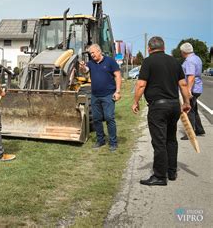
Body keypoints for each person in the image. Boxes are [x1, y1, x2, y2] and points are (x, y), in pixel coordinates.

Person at [132, 36, 191, 186]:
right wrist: (186, 102)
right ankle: (171, 172)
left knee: (159, 142)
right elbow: (183, 85)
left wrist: (136, 101)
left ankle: (159, 176)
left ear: (149, 49)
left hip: (158, 107)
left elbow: (140, 85)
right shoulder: (175, 61)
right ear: (164, 47)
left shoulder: (148, 61)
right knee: (171, 139)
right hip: (173, 106)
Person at [80, 44, 122, 151]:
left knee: (109, 118)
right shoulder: (91, 63)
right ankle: (100, 140)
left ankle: (113, 142)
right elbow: (85, 70)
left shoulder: (110, 61)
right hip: (95, 95)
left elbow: (118, 76)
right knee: (97, 119)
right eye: (91, 53)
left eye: (93, 53)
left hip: (108, 95)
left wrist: (117, 91)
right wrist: (82, 67)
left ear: (99, 51)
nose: (92, 55)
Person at [179, 42, 205, 139]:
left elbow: (191, 77)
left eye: (181, 52)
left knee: (189, 110)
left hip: (192, 89)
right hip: (198, 88)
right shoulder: (196, 58)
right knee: (194, 109)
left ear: (184, 52)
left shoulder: (189, 61)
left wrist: (188, 91)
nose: (181, 53)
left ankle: (190, 134)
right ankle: (199, 129)